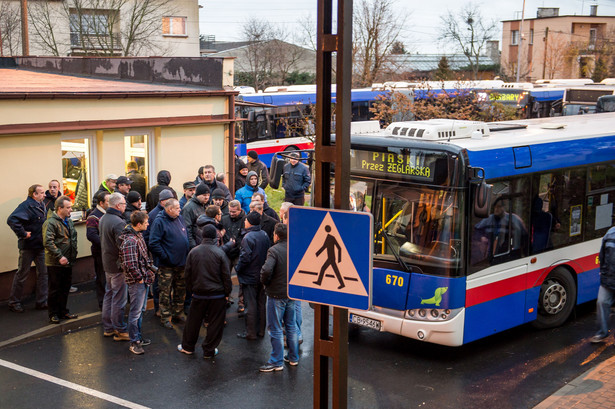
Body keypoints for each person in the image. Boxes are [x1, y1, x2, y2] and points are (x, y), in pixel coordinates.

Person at [177, 224, 232, 358]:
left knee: (193, 321)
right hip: (217, 295)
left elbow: (188, 274)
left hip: (199, 293)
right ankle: (209, 350)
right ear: (215, 236)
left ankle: (188, 347)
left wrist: (192, 290)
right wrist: (227, 293)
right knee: (215, 323)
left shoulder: (193, 252)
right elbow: (226, 276)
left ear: (202, 235)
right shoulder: (220, 253)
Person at [259, 223, 299, 371]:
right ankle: (293, 357)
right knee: (291, 325)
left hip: (276, 294)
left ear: (276, 235)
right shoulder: (295, 249)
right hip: (291, 293)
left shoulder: (274, 250)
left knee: (275, 327)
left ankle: (276, 361)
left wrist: (265, 282)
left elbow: (267, 270)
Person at [149, 199, 190, 329]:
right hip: (166, 265)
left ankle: (178, 313)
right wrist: (165, 256)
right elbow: (153, 243)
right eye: (177, 208)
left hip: (181, 263)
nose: (180, 209)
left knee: (180, 289)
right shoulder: (159, 221)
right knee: (165, 292)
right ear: (169, 209)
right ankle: (165, 317)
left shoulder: (179, 218)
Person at [118, 211, 155, 355]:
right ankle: (134, 342)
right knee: (135, 313)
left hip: (142, 280)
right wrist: (139, 278)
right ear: (139, 224)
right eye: (146, 222)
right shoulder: (131, 241)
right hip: (137, 282)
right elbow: (130, 264)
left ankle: (138, 338)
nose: (148, 224)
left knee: (140, 311)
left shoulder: (137, 236)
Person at [7, 184, 48, 313]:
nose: (44, 194)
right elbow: (12, 219)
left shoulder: (41, 205)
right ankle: (14, 302)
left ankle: (41, 302)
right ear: (34, 194)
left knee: (43, 273)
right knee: (22, 274)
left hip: (40, 246)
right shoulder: (26, 206)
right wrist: (23, 233)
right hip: (28, 247)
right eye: (41, 193)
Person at [43, 196, 78, 324]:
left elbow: (71, 239)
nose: (70, 209)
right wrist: (60, 256)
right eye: (68, 207)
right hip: (56, 262)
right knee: (55, 288)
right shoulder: (51, 223)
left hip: (68, 260)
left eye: (70, 207)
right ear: (59, 208)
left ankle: (63, 311)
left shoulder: (68, 221)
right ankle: (53, 314)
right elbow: (48, 242)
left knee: (65, 287)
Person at [235, 211, 269, 340]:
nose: (244, 222)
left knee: (251, 305)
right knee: (261, 303)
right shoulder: (264, 234)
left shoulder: (248, 238)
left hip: (250, 276)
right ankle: (261, 331)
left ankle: (250, 332)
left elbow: (245, 258)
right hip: (261, 275)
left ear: (249, 222)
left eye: (246, 220)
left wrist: (238, 269)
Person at [100, 193, 129, 341]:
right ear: (118, 206)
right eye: (124, 204)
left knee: (109, 295)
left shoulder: (104, 218)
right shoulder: (118, 222)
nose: (125, 206)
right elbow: (123, 247)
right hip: (117, 266)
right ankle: (120, 329)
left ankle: (108, 328)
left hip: (108, 264)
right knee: (118, 298)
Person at [86, 191, 110, 310]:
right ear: (101, 203)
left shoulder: (106, 214)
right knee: (102, 278)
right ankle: (102, 303)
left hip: (107, 252)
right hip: (100, 252)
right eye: (108, 201)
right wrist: (106, 245)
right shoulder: (93, 216)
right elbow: (91, 235)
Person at [591, 225, 615, 343]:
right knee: (601, 302)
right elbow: (602, 255)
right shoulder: (610, 233)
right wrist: (604, 272)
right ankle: (602, 333)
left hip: (609, 278)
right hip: (608, 279)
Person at [181, 183, 210, 248]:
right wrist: (193, 245)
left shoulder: (206, 204)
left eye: (208, 195)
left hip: (205, 243)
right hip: (196, 245)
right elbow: (187, 228)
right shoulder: (188, 208)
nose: (207, 197)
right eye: (204, 195)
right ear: (197, 195)